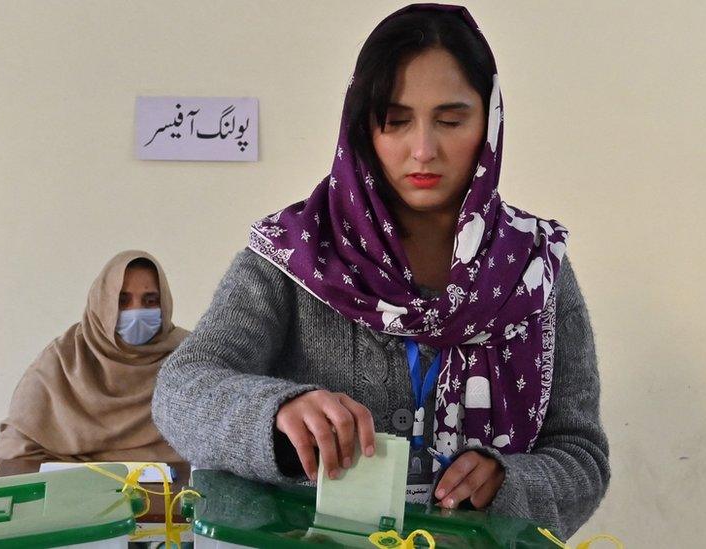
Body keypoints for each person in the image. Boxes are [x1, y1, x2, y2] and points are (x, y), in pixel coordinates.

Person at [153, 4, 608, 539]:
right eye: (395, 121)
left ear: (491, 121)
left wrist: (510, 483)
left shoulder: (535, 266)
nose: (423, 150)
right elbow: (181, 391)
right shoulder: (295, 254)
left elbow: (581, 455)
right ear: (362, 128)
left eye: (451, 119)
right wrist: (279, 411)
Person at [0, 250, 189, 477]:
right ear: (103, 302)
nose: (136, 311)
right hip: (69, 505)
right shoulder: (63, 361)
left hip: (172, 504)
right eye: (122, 300)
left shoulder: (190, 359)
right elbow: (13, 457)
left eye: (149, 300)